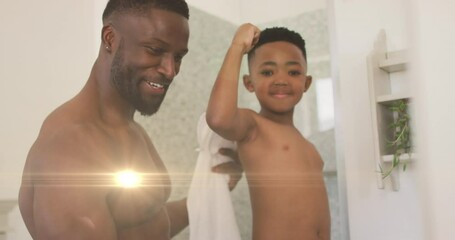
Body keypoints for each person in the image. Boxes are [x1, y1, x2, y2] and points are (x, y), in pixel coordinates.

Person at [18, 1, 241, 239]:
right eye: (155, 50)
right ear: (110, 38)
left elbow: (149, 225)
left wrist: (213, 188)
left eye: (178, 57)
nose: (170, 70)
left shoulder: (129, 129)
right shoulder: (69, 150)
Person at [206, 23, 331, 240]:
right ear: (249, 83)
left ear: (306, 82)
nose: (281, 80)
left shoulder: (308, 146)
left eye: (293, 72)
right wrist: (237, 47)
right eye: (267, 72)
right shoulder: (253, 126)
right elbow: (218, 118)